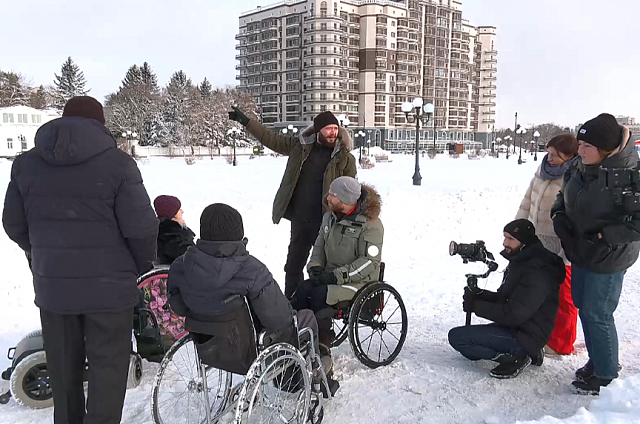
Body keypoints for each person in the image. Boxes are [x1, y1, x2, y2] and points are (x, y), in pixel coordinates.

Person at [2, 96, 158, 424]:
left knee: (64, 375)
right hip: (110, 293)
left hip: (54, 290)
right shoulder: (118, 164)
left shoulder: (25, 164)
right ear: (100, 124)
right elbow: (142, 229)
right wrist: (139, 266)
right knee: (107, 373)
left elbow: (13, 223)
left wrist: (43, 253)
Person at [167, 203, 337, 386]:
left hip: (208, 346)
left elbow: (179, 306)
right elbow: (279, 320)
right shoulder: (252, 270)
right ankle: (307, 376)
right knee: (306, 319)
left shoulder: (181, 266)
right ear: (237, 232)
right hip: (248, 351)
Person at [228, 107, 357, 299]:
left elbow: (350, 190)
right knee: (293, 265)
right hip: (300, 219)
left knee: (322, 267)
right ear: (318, 130)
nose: (333, 132)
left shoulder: (344, 158)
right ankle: (292, 304)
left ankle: (321, 311)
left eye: (335, 128)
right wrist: (247, 122)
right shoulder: (300, 147)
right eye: (328, 128)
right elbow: (271, 139)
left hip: (326, 222)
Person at [551, 113, 639, 394]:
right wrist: (558, 213)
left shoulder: (629, 175)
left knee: (597, 312)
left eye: (587, 146)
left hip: (608, 255)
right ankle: (599, 358)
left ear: (605, 149)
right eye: (580, 143)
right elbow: (563, 191)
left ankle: (606, 372)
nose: (580, 150)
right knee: (582, 304)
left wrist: (605, 236)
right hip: (580, 249)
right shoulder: (580, 164)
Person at [448, 219, 565, 379]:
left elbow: (513, 314)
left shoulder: (537, 272)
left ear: (524, 242)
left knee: (459, 338)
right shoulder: (522, 261)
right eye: (505, 237)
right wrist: (479, 294)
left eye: (510, 239)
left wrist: (476, 306)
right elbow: (507, 299)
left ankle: (518, 355)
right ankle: (527, 351)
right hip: (520, 329)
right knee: (466, 344)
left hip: (525, 335)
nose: (505, 243)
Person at [293, 176, 383, 348]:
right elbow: (319, 246)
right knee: (303, 290)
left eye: (333, 194)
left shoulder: (371, 225)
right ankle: (300, 336)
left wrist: (336, 277)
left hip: (359, 283)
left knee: (320, 295)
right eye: (329, 192)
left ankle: (322, 345)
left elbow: (369, 262)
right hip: (329, 277)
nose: (328, 197)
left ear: (346, 199)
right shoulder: (329, 217)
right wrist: (315, 267)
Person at [516, 134, 579, 356]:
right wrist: (517, 230)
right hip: (536, 239)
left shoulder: (575, 176)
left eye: (555, 154)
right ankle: (539, 333)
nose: (549, 158)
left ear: (570, 155)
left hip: (560, 242)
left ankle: (562, 343)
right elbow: (527, 202)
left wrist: (568, 250)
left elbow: (575, 216)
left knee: (564, 295)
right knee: (537, 291)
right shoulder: (541, 171)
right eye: (548, 152)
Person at [153, 195, 195, 265]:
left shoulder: (161, 232)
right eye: (179, 209)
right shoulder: (174, 238)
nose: (182, 211)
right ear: (172, 214)